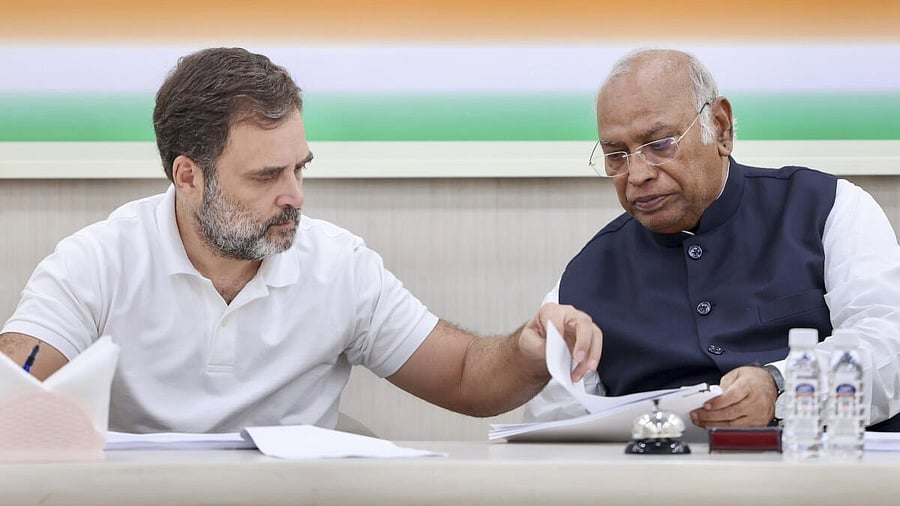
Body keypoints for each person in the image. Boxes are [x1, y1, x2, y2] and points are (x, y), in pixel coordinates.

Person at [0, 47, 602, 434]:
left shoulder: (337, 265)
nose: (295, 196)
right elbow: (14, 392)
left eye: (299, 168)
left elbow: (469, 377)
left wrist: (526, 351)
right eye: (266, 177)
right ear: (188, 177)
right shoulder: (96, 261)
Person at [524, 48, 900, 431]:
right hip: (667, 487)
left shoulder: (828, 209)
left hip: (832, 479)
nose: (637, 175)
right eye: (616, 155)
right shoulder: (584, 279)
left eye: (659, 144)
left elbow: (889, 345)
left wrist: (781, 385)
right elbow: (553, 424)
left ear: (720, 127)